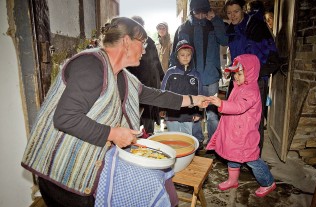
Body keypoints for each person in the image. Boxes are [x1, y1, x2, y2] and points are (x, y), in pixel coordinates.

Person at [21, 17, 211, 207]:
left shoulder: (123, 76)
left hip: (89, 163)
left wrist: (193, 100)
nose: (145, 50)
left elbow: (156, 96)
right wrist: (113, 133)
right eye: (142, 43)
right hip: (62, 172)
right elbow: (65, 118)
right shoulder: (90, 65)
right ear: (127, 41)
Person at [206, 54, 276, 197]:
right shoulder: (239, 86)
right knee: (232, 155)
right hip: (235, 132)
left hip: (245, 134)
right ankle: (233, 180)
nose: (236, 77)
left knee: (252, 159)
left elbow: (239, 107)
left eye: (240, 73)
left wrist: (221, 104)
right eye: (234, 73)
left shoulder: (251, 90)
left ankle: (268, 182)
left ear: (250, 72)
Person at [170, 0, 228, 149]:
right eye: (198, 12)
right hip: (191, 78)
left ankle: (213, 143)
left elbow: (225, 40)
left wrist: (215, 19)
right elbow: (174, 55)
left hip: (211, 77)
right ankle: (197, 141)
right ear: (192, 11)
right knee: (193, 110)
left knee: (212, 113)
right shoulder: (183, 28)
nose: (201, 15)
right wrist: (176, 75)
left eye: (204, 12)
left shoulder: (213, 24)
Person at [224, 0, 279, 152]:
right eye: (229, 13)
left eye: (235, 11)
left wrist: (257, 74)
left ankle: (254, 154)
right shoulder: (232, 31)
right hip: (237, 78)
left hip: (256, 80)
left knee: (254, 120)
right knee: (234, 115)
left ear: (243, 10)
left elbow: (273, 56)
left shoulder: (257, 26)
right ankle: (236, 151)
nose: (232, 16)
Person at [127, 16, 164, 136]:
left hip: (150, 81)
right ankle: (135, 136)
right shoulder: (128, 44)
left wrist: (161, 75)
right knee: (135, 112)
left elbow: (156, 61)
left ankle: (149, 135)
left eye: (141, 25)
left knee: (149, 110)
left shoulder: (150, 42)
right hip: (135, 81)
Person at [160, 40, 202, 135]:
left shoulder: (196, 75)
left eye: (188, 55)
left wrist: (198, 113)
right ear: (177, 56)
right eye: (182, 55)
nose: (186, 57)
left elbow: (200, 95)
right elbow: (163, 91)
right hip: (172, 113)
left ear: (192, 56)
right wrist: (161, 108)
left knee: (187, 139)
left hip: (188, 114)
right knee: (173, 139)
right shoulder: (170, 72)